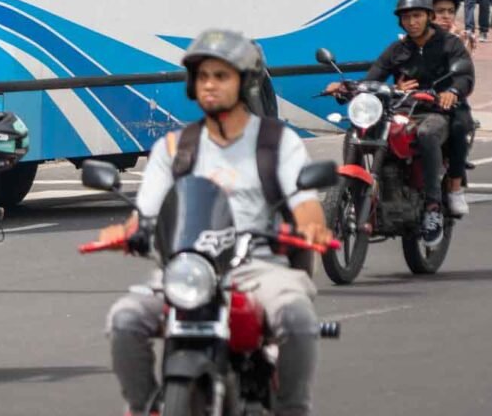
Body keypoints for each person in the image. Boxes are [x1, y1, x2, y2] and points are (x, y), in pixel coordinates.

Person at [102, 30, 332, 416]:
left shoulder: (277, 143)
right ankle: (145, 407)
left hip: (257, 266)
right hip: (189, 270)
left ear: (245, 82)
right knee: (124, 319)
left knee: (297, 317)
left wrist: (311, 226)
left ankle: (293, 408)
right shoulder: (175, 148)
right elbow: (147, 211)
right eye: (203, 76)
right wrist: (127, 231)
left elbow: (304, 202)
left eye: (221, 76)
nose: (210, 84)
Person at [329, 0, 473, 246]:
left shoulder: (450, 44)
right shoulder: (397, 49)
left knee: (427, 134)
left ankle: (433, 207)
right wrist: (347, 88)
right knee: (356, 131)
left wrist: (452, 91)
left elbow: (464, 76)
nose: (412, 22)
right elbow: (374, 76)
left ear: (428, 16)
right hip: (403, 110)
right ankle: (354, 197)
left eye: (417, 16)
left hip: (436, 111)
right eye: (406, 18)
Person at [425, 0, 475, 217]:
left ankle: (455, 188)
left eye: (449, 11)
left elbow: (465, 73)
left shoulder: (457, 40)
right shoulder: (409, 40)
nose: (445, 16)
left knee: (457, 127)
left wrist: (453, 91)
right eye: (439, 11)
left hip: (451, 102)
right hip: (418, 102)